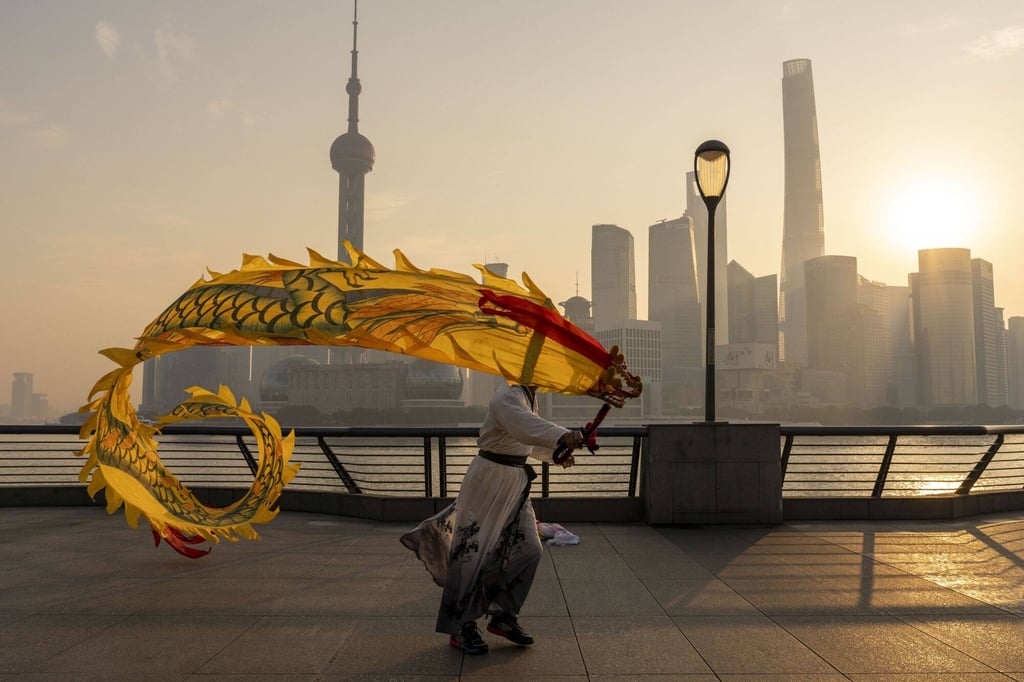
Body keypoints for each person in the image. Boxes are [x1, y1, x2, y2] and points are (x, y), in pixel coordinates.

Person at [400, 381, 587, 655]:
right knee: (471, 554)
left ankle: (503, 615)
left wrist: (555, 455)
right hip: (489, 479)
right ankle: (461, 627)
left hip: (515, 482)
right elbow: (524, 426)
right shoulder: (507, 394)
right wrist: (561, 436)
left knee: (530, 550)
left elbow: (524, 439)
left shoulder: (527, 397)